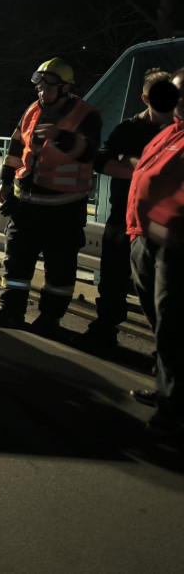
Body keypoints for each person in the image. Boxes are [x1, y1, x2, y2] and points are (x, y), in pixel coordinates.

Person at [0, 57, 102, 337]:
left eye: (49, 87)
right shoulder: (33, 110)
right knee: (16, 261)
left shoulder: (87, 115)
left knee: (59, 268)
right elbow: (16, 147)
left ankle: (50, 317)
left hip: (64, 209)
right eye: (39, 87)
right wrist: (5, 183)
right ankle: (11, 310)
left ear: (65, 88)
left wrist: (60, 135)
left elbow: (89, 153)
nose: (42, 92)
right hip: (25, 204)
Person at [75, 69, 175, 353]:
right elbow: (101, 158)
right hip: (125, 216)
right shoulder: (130, 128)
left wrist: (139, 167)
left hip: (164, 222)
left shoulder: (178, 130)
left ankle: (164, 352)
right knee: (114, 279)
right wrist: (135, 171)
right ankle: (105, 330)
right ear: (146, 98)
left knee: (163, 289)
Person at [126, 68, 184, 437]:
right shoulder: (170, 134)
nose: (176, 100)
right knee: (161, 323)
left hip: (176, 247)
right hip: (147, 239)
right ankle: (167, 389)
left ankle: (175, 410)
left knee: (175, 327)